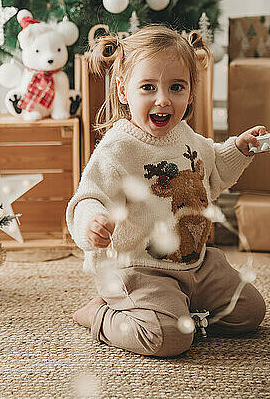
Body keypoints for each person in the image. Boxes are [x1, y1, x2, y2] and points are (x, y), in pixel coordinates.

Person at [66, 24, 267, 358]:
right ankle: (100, 314)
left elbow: (213, 169)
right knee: (168, 339)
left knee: (249, 311)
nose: (163, 99)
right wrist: (93, 222)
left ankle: (185, 312)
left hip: (197, 264)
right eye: (148, 87)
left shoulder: (186, 136)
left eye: (176, 87)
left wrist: (240, 149)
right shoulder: (118, 148)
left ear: (190, 94)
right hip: (140, 270)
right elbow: (89, 196)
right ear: (122, 90)